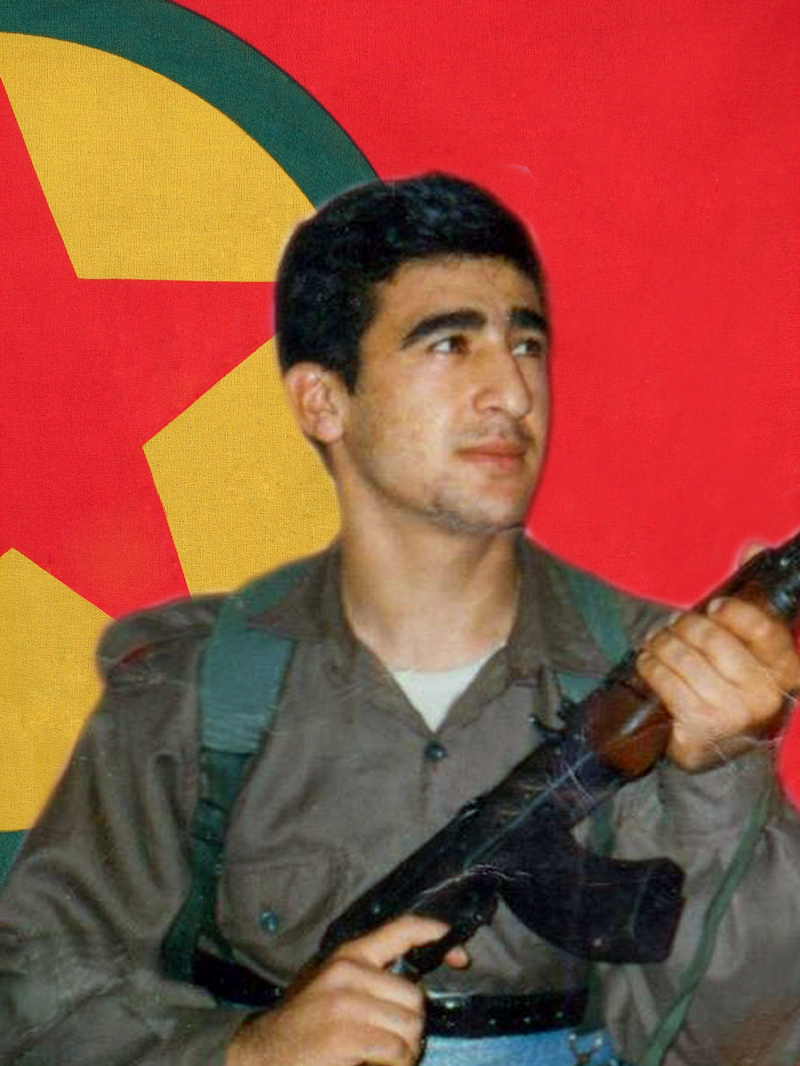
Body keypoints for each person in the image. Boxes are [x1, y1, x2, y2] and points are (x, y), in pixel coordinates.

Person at [1, 174, 800, 1066]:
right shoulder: (198, 688)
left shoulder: (667, 669)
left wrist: (721, 775)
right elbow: (31, 1004)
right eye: (451, 344)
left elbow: (747, 1040)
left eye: (526, 343)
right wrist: (245, 1052)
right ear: (323, 401)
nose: (513, 393)